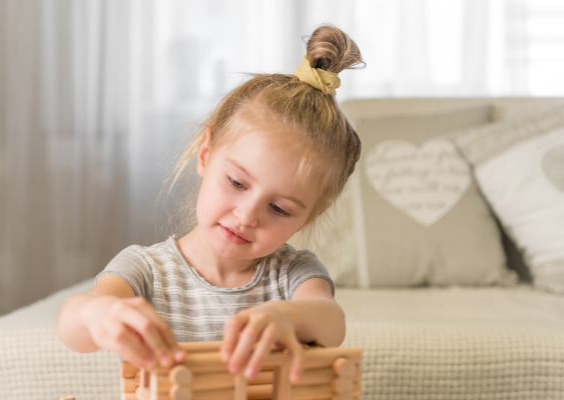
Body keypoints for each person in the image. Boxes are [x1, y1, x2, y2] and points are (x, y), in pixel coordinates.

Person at [57, 24, 363, 385]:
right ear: (205, 155)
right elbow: (72, 325)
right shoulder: (145, 269)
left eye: (279, 209)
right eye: (236, 183)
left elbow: (330, 321)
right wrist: (98, 314)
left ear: (313, 213)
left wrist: (288, 318)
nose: (247, 215)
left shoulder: (294, 275)